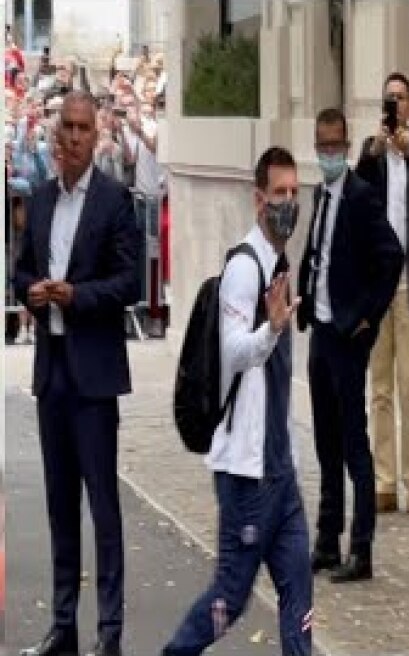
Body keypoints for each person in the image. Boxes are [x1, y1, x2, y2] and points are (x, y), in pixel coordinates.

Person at [161, 146, 312, 656]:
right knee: (229, 598)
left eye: (294, 193)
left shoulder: (280, 263)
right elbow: (232, 352)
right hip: (246, 476)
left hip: (279, 470)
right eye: (279, 194)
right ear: (258, 200)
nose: (288, 203)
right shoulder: (245, 269)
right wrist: (269, 330)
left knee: (299, 596)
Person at [14, 91, 142, 656]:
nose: (71, 137)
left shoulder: (114, 201)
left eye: (82, 128)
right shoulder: (40, 201)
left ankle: (108, 632)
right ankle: (62, 625)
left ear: (97, 134)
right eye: (64, 127)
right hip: (52, 373)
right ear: (53, 132)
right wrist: (34, 293)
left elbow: (130, 283)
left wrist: (76, 296)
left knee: (102, 507)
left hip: (93, 375)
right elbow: (19, 272)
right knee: (58, 502)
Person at [299, 108, 403, 583]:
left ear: (347, 145)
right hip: (319, 330)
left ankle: (360, 550)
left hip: (348, 335)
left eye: (337, 145)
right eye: (323, 146)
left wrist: (368, 318)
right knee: (325, 442)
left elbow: (392, 257)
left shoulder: (362, 196)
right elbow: (317, 253)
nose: (330, 154)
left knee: (354, 444)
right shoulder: (320, 194)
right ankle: (326, 539)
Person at [355, 72, 409, 514]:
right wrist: (373, 152)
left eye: (402, 98)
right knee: (380, 387)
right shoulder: (371, 154)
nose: (395, 105)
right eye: (389, 98)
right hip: (376, 283)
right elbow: (354, 197)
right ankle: (383, 480)